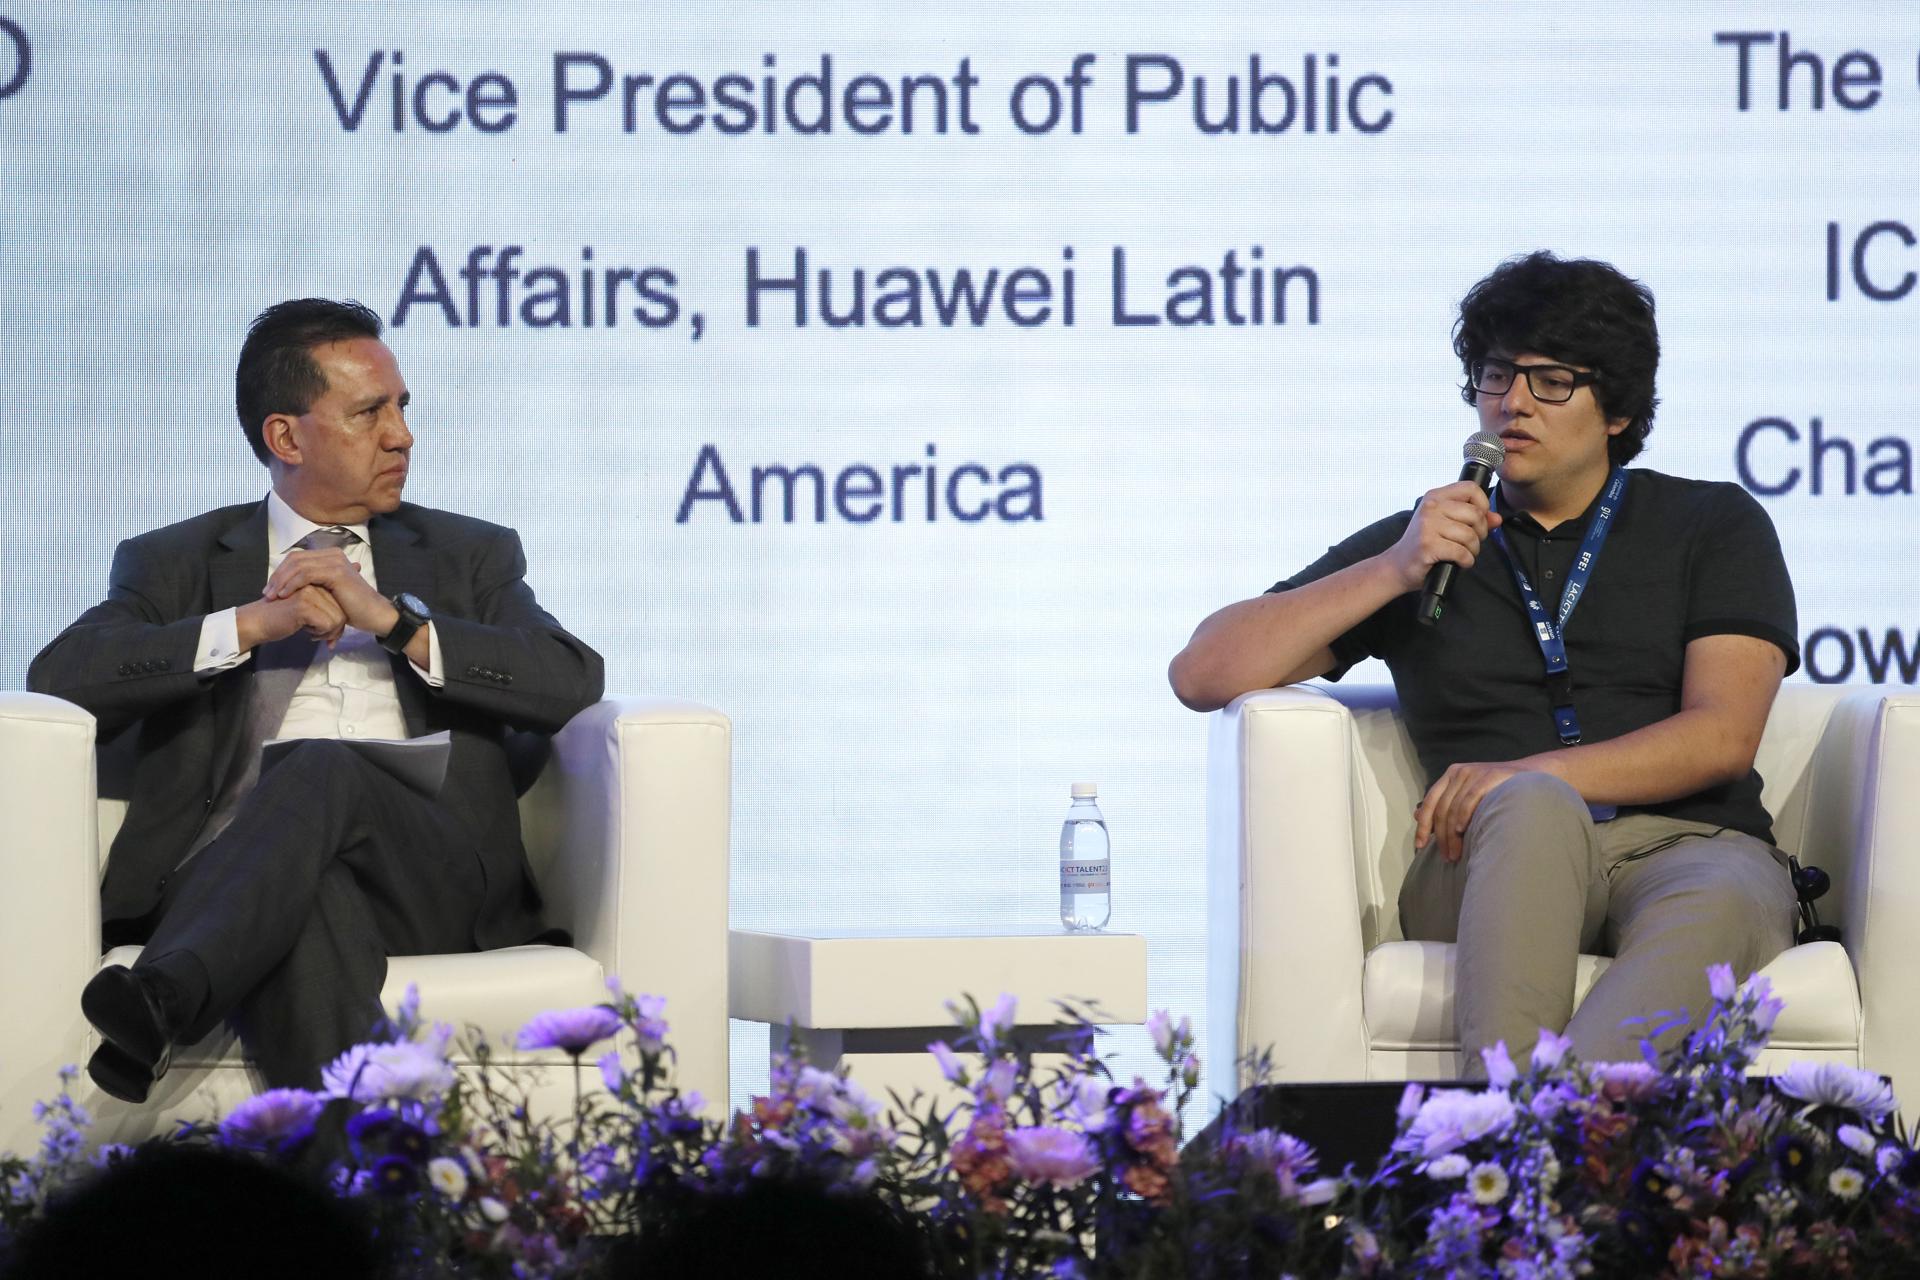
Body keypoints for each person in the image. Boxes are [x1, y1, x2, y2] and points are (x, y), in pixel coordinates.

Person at [1168, 251, 1800, 1072]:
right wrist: (1391, 569)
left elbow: (1721, 737)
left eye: (1551, 381)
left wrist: (1530, 770)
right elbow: (1202, 673)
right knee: (1533, 806)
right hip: (1495, 859)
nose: (1512, 405)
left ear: (1617, 409)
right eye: (1496, 376)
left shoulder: (1711, 523)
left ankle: (1517, 1149)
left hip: (1690, 845)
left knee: (1712, 889)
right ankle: (1534, 1152)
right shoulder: (1431, 541)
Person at [28, 299, 604, 1101]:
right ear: (286, 437)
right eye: (370, 412)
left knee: (322, 769)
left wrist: (395, 624)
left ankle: (165, 996)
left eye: (402, 408)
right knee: (308, 902)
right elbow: (62, 676)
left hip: (428, 876)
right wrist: (251, 623)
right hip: (228, 877)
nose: (401, 434)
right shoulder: (176, 561)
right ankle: (368, 1195)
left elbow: (569, 676)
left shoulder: (469, 554)